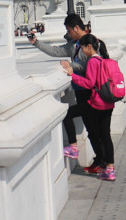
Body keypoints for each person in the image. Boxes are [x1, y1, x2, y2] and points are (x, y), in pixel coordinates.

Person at [28, 13, 90, 159]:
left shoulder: (91, 42)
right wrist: (36, 43)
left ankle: (106, 164)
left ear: (76, 28)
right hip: (79, 89)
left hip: (90, 90)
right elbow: (56, 51)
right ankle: (98, 160)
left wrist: (71, 65)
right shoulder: (73, 45)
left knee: (95, 128)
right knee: (82, 121)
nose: (67, 34)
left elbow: (89, 65)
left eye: (68, 31)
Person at [61, 34, 117, 181]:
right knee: (105, 135)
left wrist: (73, 75)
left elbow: (89, 83)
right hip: (108, 102)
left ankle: (73, 147)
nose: (82, 51)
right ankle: (109, 169)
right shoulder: (102, 59)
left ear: (89, 47)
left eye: (83, 48)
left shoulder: (93, 61)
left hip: (96, 102)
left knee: (67, 114)